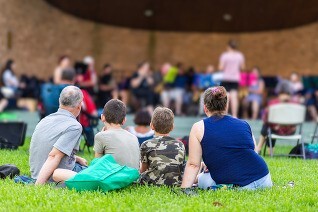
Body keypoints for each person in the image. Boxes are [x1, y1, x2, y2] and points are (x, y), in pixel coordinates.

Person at [181, 86, 272, 190]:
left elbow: (193, 165)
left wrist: (184, 189)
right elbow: (253, 153)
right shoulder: (244, 124)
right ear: (226, 106)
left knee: (204, 179)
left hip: (240, 186)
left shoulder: (198, 127)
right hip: (263, 179)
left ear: (205, 108)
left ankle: (200, 181)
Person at [29, 86, 88, 185]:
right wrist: (38, 185)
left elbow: (47, 149)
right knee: (91, 173)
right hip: (51, 177)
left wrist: (76, 158)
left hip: (35, 173)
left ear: (59, 101)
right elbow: (54, 155)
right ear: (79, 105)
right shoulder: (74, 126)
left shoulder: (44, 120)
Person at [140, 107, 185, 186]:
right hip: (176, 183)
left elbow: (143, 169)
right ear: (172, 127)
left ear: (151, 126)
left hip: (151, 183)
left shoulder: (146, 144)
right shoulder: (180, 144)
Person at [255, 81, 299, 154]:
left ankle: (259, 149)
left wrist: (275, 126)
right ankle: (266, 151)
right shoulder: (295, 104)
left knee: (267, 127)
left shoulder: (273, 103)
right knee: (269, 129)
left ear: (279, 92)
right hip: (291, 131)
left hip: (276, 129)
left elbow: (265, 119)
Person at [94, 99, 140, 168]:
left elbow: (97, 166)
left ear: (102, 117)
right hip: (134, 177)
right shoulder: (134, 137)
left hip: (115, 177)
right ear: (124, 120)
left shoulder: (101, 136)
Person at [219, 40, 246, 118]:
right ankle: (234, 115)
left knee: (226, 96)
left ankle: (224, 115)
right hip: (235, 78)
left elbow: (221, 67)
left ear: (228, 46)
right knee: (234, 96)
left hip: (226, 78)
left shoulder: (225, 55)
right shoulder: (240, 55)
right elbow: (243, 67)